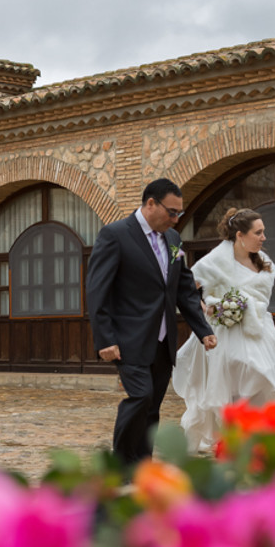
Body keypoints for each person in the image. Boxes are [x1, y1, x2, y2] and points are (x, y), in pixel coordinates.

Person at [85, 178, 217, 467]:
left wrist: (203, 329)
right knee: (140, 397)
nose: (176, 219)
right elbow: (97, 290)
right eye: (172, 212)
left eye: (179, 213)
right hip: (128, 338)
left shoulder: (173, 239)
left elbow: (183, 288)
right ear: (150, 204)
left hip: (163, 340)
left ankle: (142, 465)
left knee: (152, 406)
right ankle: (121, 464)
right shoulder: (115, 234)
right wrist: (104, 338)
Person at [172, 208, 275, 451]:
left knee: (266, 378)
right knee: (238, 378)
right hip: (227, 331)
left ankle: (256, 436)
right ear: (240, 235)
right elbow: (187, 288)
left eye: (263, 232)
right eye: (258, 233)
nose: (264, 237)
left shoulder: (264, 262)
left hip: (259, 330)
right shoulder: (215, 261)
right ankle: (232, 437)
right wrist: (208, 308)